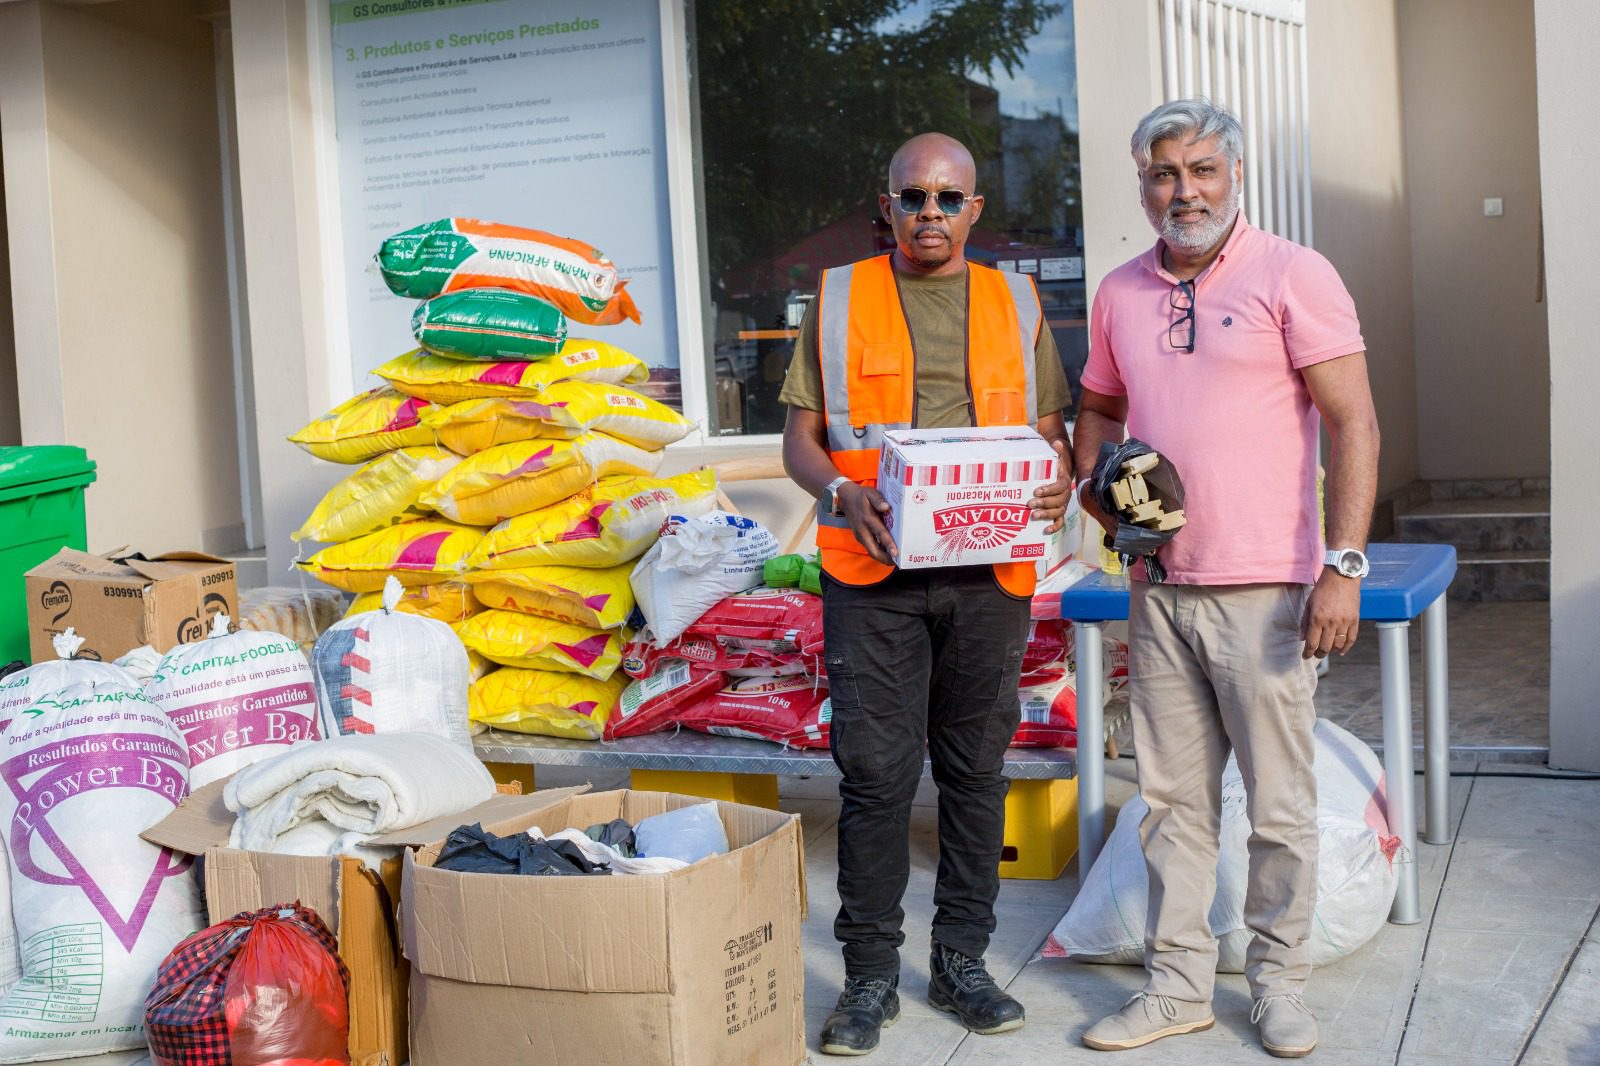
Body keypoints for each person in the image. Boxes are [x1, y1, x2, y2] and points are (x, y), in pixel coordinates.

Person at [1074, 99, 1379, 1058]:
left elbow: (1356, 424)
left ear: (1233, 175)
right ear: (1142, 184)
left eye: (1202, 170)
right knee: (1170, 806)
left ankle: (1278, 985)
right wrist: (1100, 499)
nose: (1184, 190)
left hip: (1271, 592)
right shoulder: (1121, 291)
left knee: (1279, 808)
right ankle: (1177, 990)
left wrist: (1343, 567)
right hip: (1158, 586)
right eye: (1164, 173)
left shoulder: (1295, 273)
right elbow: (1095, 409)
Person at [779, 132, 1075, 1056]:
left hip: (990, 575)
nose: (931, 215)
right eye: (915, 198)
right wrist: (839, 490)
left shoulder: (1015, 298)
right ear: (889, 205)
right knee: (875, 776)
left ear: (975, 209)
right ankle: (868, 978)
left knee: (975, 771)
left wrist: (1060, 477)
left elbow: (1049, 433)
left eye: (950, 199)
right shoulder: (837, 299)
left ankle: (961, 962)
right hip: (872, 574)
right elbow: (801, 440)